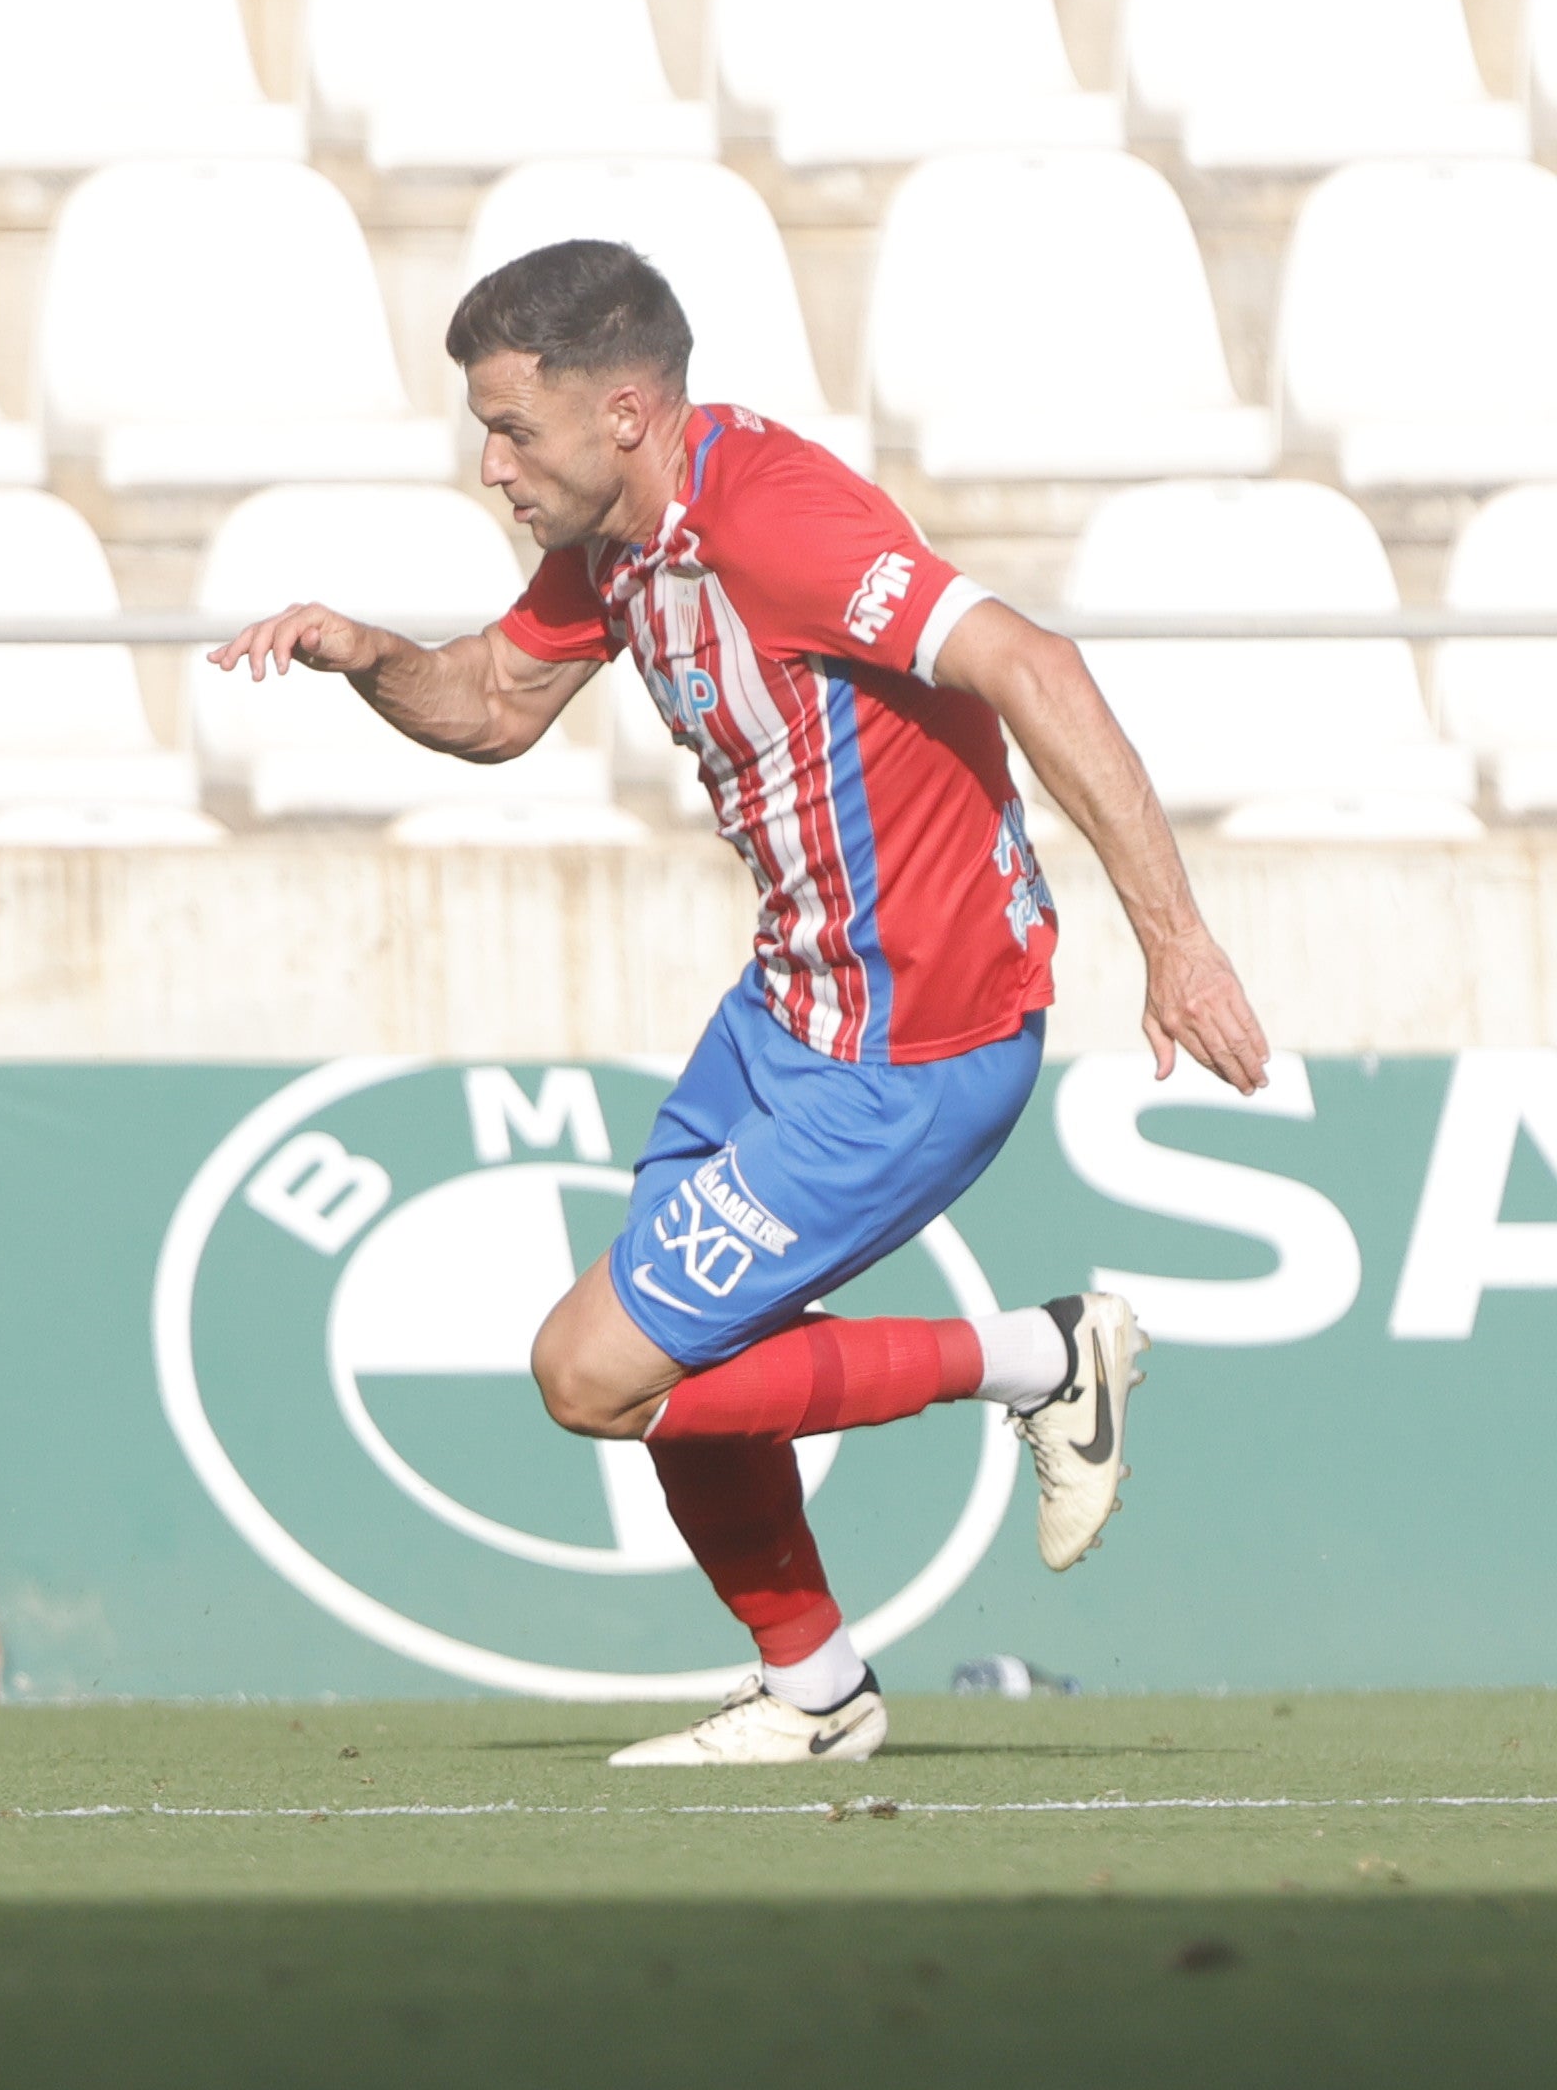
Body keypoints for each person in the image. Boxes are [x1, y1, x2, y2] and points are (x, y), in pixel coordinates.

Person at [211, 240, 1271, 1768]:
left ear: (626, 412)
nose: (491, 464)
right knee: (676, 1352)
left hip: (913, 1050)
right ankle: (819, 1692)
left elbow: (1031, 662)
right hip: (787, 1013)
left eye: (513, 427)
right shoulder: (620, 544)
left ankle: (1048, 1359)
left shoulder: (777, 525)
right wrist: (369, 656)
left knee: (596, 1370)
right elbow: (495, 708)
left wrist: (1176, 940)